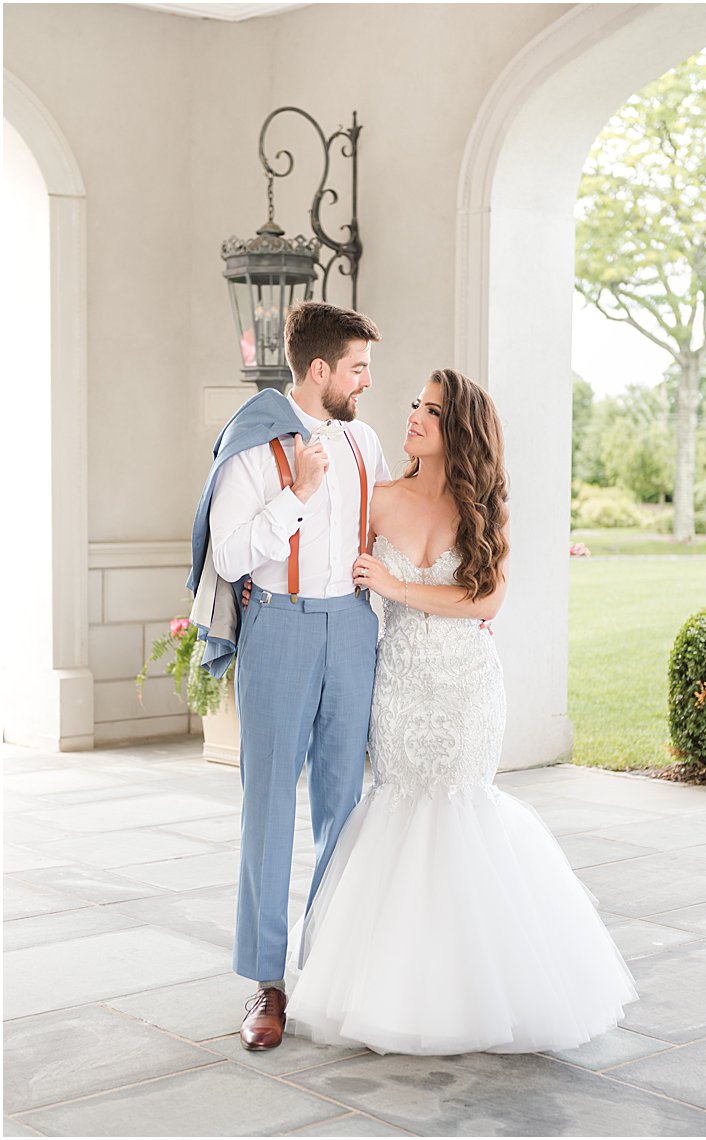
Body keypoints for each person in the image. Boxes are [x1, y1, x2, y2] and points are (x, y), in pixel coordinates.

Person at [283, 368, 637, 1054]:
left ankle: (480, 992)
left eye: (433, 411)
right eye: (416, 404)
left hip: (468, 686)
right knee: (401, 810)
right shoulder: (378, 500)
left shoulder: (484, 508)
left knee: (461, 808)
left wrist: (395, 585)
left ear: (461, 431)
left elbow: (486, 604)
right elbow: (331, 565)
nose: (414, 416)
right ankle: (396, 992)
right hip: (399, 685)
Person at [191, 301, 388, 1051]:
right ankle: (266, 983)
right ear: (319, 371)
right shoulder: (253, 446)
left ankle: (329, 969)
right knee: (269, 807)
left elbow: (388, 531)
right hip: (277, 628)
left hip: (352, 629)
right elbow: (232, 557)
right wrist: (297, 495)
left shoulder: (365, 441)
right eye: (358, 368)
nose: (367, 382)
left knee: (344, 804)